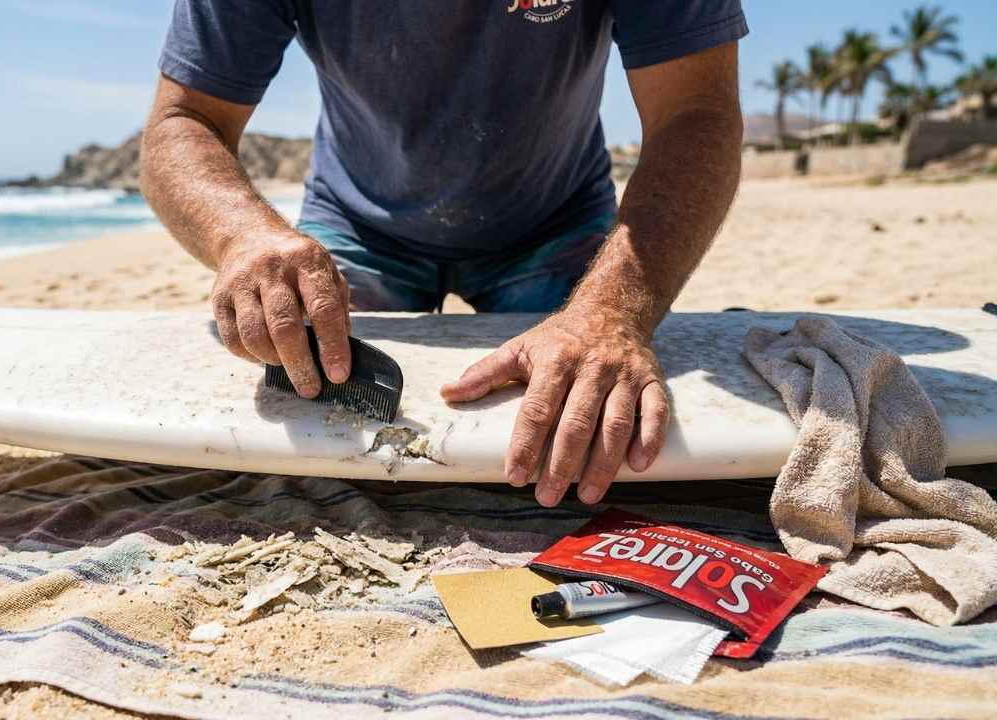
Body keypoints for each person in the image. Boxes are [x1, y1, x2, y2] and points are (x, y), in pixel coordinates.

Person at [141, 1, 747, 508]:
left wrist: (613, 311)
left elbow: (696, 112)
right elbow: (185, 118)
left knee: (589, 411)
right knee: (302, 375)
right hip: (359, 223)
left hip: (554, 221)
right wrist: (244, 236)